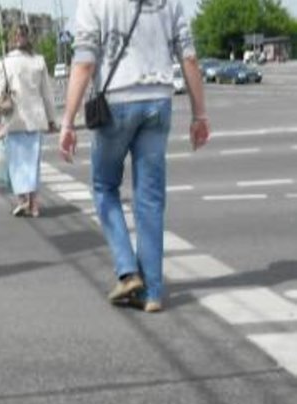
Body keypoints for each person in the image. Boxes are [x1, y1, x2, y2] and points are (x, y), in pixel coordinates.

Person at [59, 0, 209, 313]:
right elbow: (189, 58)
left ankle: (128, 272)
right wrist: (199, 115)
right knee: (150, 199)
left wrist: (67, 121)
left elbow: (84, 63)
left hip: (116, 104)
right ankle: (152, 292)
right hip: (159, 101)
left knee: (103, 187)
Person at [0, 25, 57, 216]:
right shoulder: (38, 61)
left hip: (13, 118)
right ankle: (34, 204)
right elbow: (47, 94)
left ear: (12, 40)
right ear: (28, 38)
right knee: (32, 163)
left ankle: (21, 200)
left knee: (17, 163)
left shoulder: (4, 62)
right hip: (35, 117)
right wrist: (52, 120)